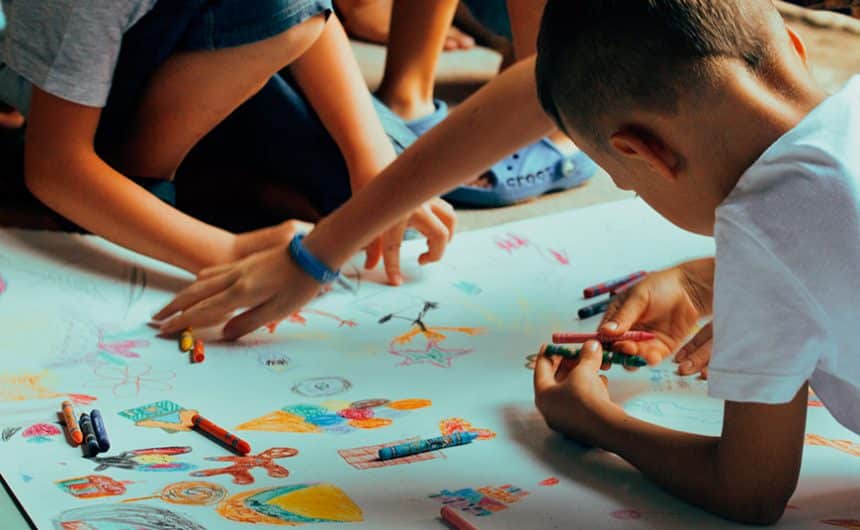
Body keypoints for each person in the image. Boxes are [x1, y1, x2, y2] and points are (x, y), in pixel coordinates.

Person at [529, 0, 859, 524]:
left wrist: (597, 421)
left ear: (644, 153)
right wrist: (700, 282)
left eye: (632, 186)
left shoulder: (761, 230)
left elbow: (749, 490)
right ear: (795, 46)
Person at [0, 0, 453, 278]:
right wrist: (227, 252)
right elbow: (54, 165)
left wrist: (375, 167)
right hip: (82, 101)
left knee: (391, 215)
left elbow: (310, 17)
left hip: (218, 52)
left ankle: (220, 177)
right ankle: (143, 178)